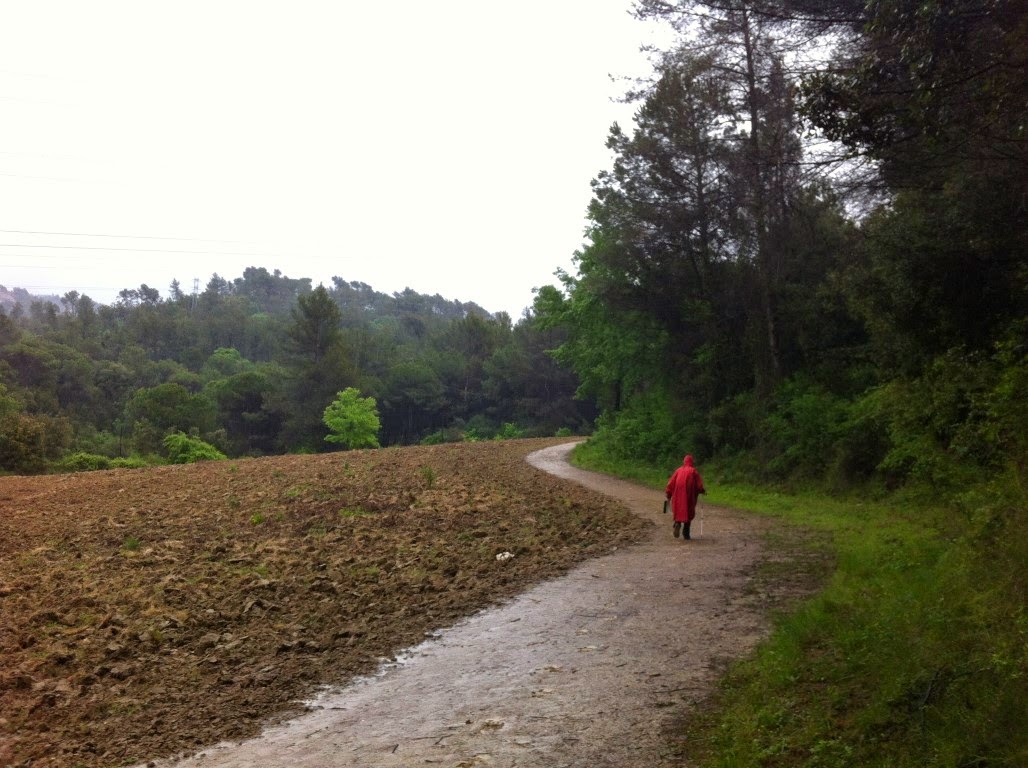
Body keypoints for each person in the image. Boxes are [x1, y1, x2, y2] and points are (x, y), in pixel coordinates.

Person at [665, 454, 705, 540]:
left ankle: (677, 523)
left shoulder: (678, 471)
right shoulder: (693, 471)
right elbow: (699, 485)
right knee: (688, 510)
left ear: (684, 461)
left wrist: (668, 494)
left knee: (679, 509)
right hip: (689, 496)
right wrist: (702, 490)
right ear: (691, 462)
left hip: (677, 496)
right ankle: (686, 533)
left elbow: (670, 484)